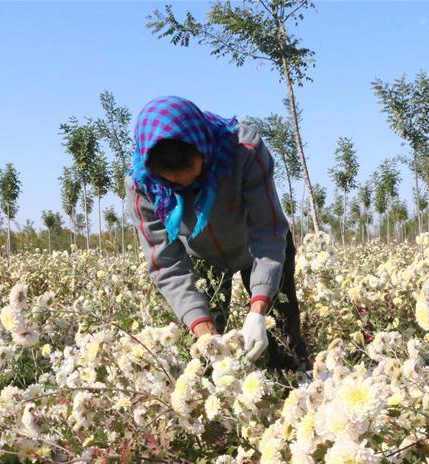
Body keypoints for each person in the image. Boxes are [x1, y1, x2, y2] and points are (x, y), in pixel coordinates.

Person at [126, 96, 309, 370]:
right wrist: (204, 331)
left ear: (204, 149)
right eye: (176, 187)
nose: (188, 192)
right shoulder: (144, 187)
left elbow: (268, 232)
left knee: (281, 336)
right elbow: (166, 264)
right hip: (202, 258)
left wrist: (258, 310)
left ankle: (294, 384)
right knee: (208, 357)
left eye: (196, 181)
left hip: (258, 248)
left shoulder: (244, 151)